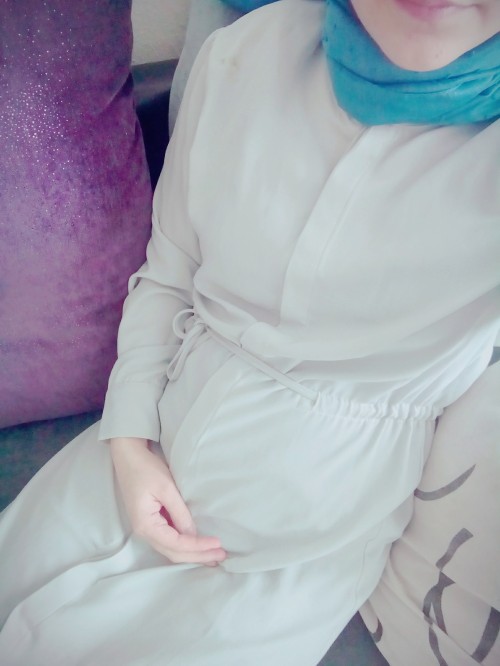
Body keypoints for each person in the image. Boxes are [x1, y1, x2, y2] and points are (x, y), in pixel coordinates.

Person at [1, 0, 499, 663]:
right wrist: (128, 441)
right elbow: (169, 271)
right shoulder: (245, 53)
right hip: (129, 457)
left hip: (289, 558)